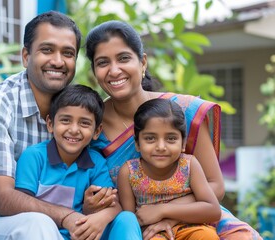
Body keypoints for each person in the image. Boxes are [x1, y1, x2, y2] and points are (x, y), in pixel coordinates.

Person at [83, 20, 262, 240]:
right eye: (102, 62)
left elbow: (215, 186)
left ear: (143, 62)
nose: (114, 70)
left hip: (195, 216)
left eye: (123, 58)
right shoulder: (89, 124)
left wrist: (166, 213)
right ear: (94, 71)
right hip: (131, 227)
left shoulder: (180, 111)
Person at [0, 11, 83, 239]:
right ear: (26, 56)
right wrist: (65, 215)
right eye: (47, 50)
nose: (58, 61)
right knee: (36, 225)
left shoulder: (71, 109)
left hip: (47, 224)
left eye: (68, 53)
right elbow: (3, 200)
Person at [15, 84, 142, 240]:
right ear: (50, 124)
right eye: (66, 120)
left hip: (84, 233)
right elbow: (21, 207)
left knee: (127, 218)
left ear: (97, 131)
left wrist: (100, 218)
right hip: (43, 234)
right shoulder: (34, 156)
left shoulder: (95, 162)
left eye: (84, 123)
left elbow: (114, 205)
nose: (74, 129)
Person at [118, 98, 221, 240]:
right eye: (150, 138)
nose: (161, 147)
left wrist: (163, 210)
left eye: (171, 138)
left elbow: (213, 210)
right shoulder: (129, 172)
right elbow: (130, 222)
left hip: (189, 226)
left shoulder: (189, 165)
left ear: (183, 143)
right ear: (137, 143)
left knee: (207, 236)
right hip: (153, 233)